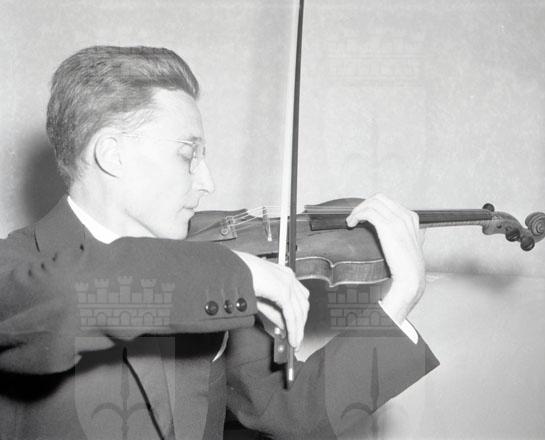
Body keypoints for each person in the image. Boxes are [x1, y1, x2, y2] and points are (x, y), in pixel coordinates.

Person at [0, 46, 438, 439]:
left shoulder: (208, 274)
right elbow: (69, 298)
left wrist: (400, 299)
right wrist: (238, 272)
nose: (208, 182)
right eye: (188, 155)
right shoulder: (15, 266)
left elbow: (297, 413)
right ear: (112, 154)